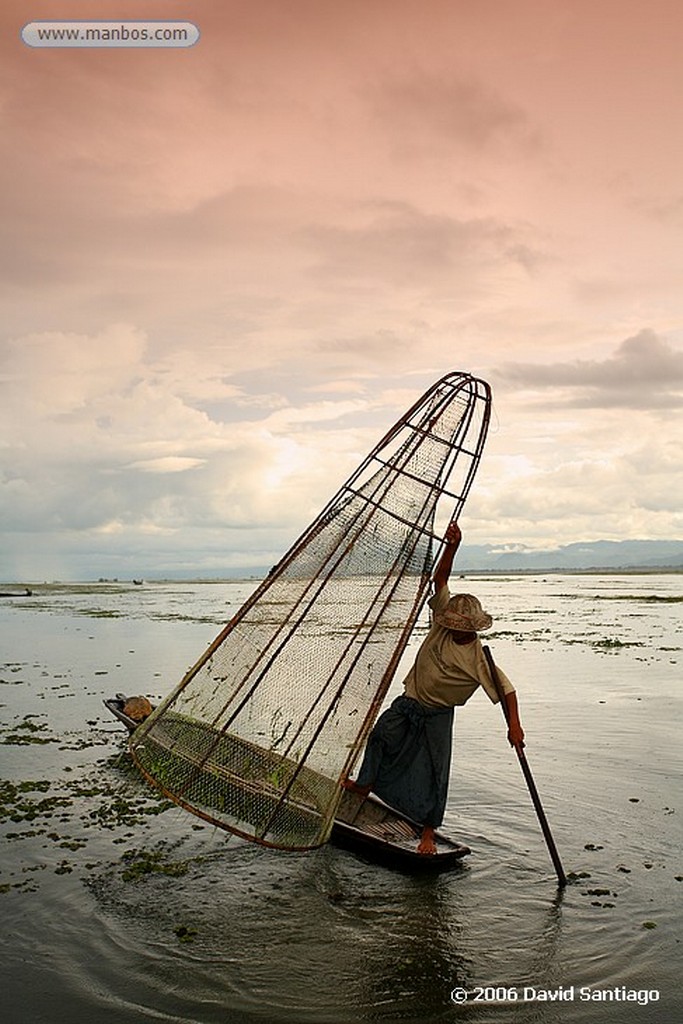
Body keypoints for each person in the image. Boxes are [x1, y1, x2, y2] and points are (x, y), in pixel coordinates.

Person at [343, 521, 525, 855]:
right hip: (410, 702)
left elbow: (507, 691)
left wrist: (514, 725)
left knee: (434, 772)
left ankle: (427, 833)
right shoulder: (443, 616)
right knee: (381, 735)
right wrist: (452, 547)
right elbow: (440, 580)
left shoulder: (478, 658)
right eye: (451, 624)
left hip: (438, 715)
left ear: (471, 628)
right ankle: (365, 783)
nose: (453, 629)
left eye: (460, 627)